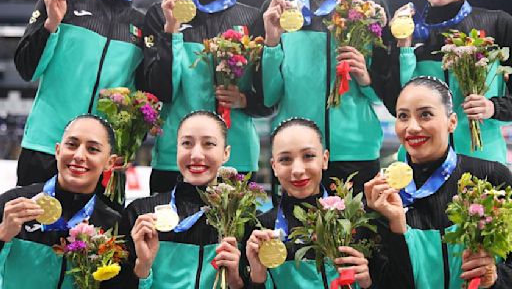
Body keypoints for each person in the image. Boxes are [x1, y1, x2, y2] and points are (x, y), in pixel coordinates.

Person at [256, 0, 390, 197]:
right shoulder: (279, 9)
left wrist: (366, 78)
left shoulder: (369, 10)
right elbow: (268, 97)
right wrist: (271, 42)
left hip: (356, 152)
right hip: (296, 157)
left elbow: (385, 94)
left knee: (358, 242)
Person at [14, 0, 151, 186]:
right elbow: (26, 69)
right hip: (46, 147)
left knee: (99, 229)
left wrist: (126, 145)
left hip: (103, 159)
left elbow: (141, 101)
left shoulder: (143, 25)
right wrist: (51, 23)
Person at [143, 0, 269, 194]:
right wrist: (171, 30)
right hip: (174, 160)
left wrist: (245, 99)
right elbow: (160, 90)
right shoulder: (160, 13)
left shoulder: (252, 19)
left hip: (236, 161)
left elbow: (270, 100)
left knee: (231, 237)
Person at [365, 76, 512, 288]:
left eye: (425, 115)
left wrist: (497, 278)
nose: (412, 127)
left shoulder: (492, 178)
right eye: (403, 116)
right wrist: (396, 225)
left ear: (451, 122)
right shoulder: (381, 195)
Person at [386, 0, 512, 163]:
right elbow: (395, 104)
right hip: (420, 165)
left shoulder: (498, 24)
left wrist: (493, 107)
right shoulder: (406, 31)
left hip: (483, 163)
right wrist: (403, 47)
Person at [104, 111, 244, 289]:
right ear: (177, 148)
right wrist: (143, 267)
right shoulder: (141, 213)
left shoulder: (242, 217)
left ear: (225, 153)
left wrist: (236, 282)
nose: (196, 155)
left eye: (208, 144)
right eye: (187, 143)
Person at [243, 118, 381, 289]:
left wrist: (367, 284)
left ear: (324, 159)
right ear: (274, 167)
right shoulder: (261, 230)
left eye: (308, 156)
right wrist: (257, 279)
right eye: (285, 159)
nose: (298, 170)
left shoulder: (354, 221)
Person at [0, 115, 120, 288]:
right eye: (72, 145)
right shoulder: (14, 205)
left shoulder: (112, 225)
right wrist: (2, 234)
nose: (79, 155)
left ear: (110, 163)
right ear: (57, 151)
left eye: (92, 149)